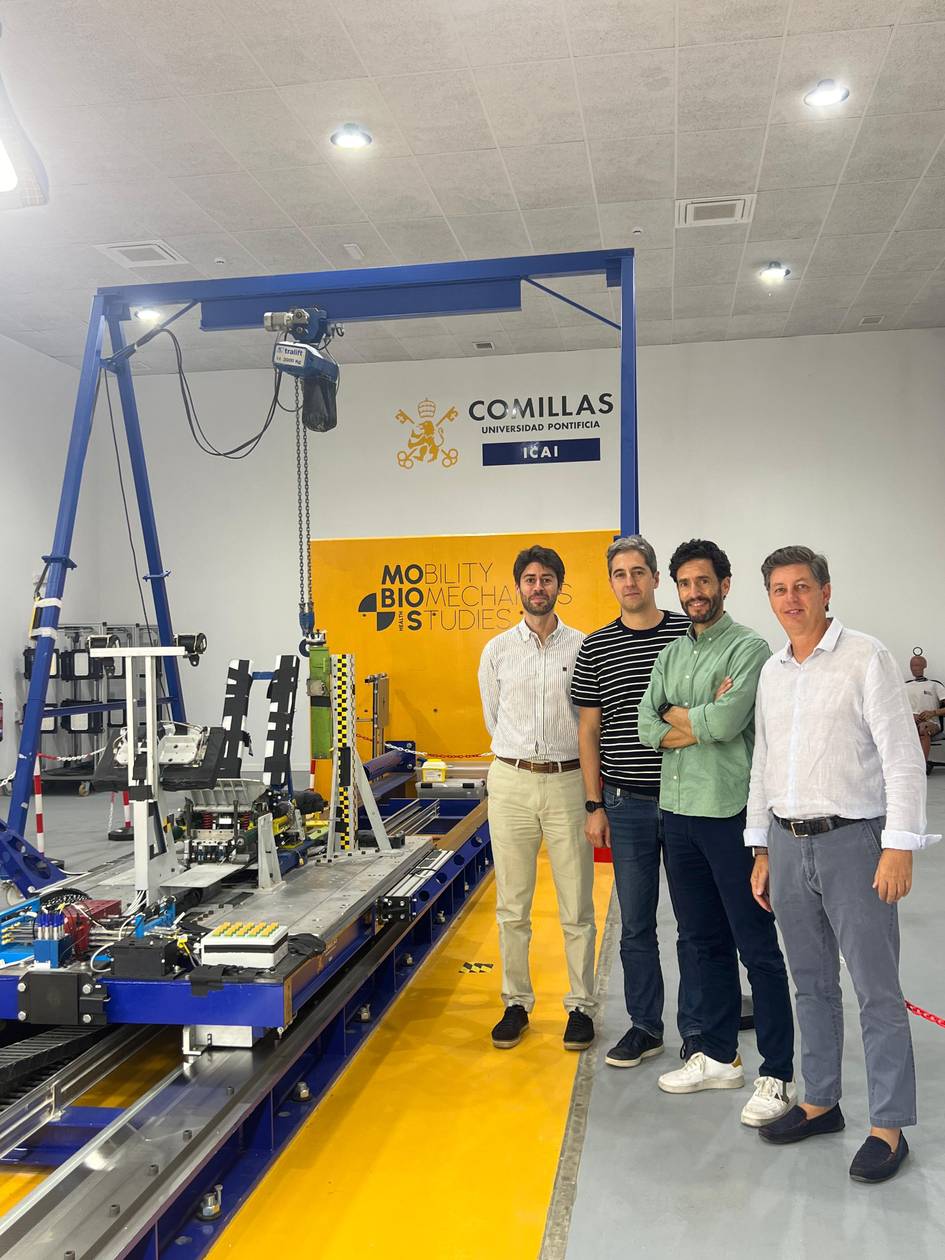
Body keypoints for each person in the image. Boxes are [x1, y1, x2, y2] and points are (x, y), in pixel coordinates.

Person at [746, 546, 939, 1183]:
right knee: (811, 984)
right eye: (778, 589)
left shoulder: (866, 656)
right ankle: (820, 1100)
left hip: (854, 843)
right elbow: (763, 764)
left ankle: (888, 1126)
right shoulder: (773, 672)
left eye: (802, 586)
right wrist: (761, 846)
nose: (791, 599)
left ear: (826, 591)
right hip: (787, 838)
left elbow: (903, 756)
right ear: (769, 598)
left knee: (876, 991)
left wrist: (899, 843)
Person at [637, 539, 795, 1128]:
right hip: (677, 814)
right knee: (702, 944)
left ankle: (776, 1071)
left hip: (730, 814)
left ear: (724, 585)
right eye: (684, 584)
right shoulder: (673, 652)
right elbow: (645, 725)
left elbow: (728, 723)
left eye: (703, 582)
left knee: (756, 947)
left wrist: (686, 715)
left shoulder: (750, 648)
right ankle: (719, 1055)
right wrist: (695, 718)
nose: (693, 593)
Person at [571, 535, 701, 1070]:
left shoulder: (687, 634)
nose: (630, 582)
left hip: (689, 801)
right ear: (612, 583)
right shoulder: (596, 647)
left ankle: (699, 1030)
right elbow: (588, 732)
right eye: (620, 574)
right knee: (637, 924)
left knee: (696, 922)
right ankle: (645, 1026)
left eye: (639, 572)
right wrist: (592, 805)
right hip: (625, 806)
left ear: (654, 578)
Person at [478, 545, 597, 1052]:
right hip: (511, 782)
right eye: (529, 579)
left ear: (559, 585)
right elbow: (493, 715)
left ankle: (581, 1006)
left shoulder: (584, 648)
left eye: (547, 578)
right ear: (518, 587)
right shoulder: (497, 651)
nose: (538, 587)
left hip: (569, 783)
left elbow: (592, 721)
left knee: (576, 904)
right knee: (512, 905)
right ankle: (516, 1003)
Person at [904, 653, 945, 766]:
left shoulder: (934, 685)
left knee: (923, 728)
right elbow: (896, 708)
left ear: (924, 666)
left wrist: (933, 713)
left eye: (918, 665)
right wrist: (910, 716)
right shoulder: (904, 687)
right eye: (913, 666)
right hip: (909, 722)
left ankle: (921, 766)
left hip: (931, 723)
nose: (915, 668)